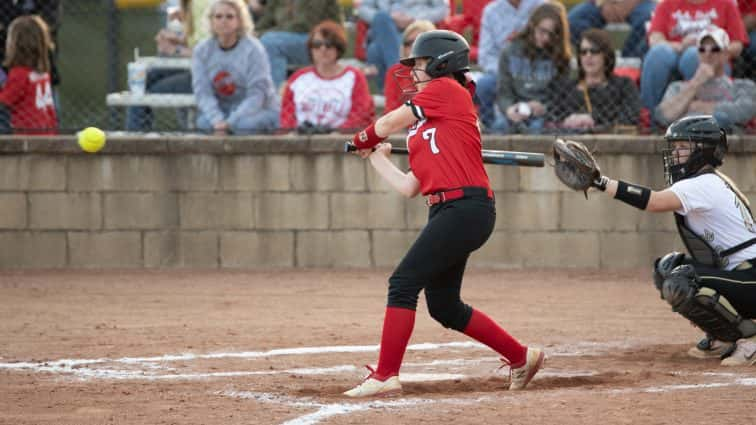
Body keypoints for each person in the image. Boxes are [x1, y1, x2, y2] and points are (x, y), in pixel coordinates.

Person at [344, 30, 544, 398]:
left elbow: (386, 124)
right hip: (447, 211)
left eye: (419, 64)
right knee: (445, 306)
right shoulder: (426, 128)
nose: (414, 72)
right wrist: (374, 156)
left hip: (465, 208)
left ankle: (387, 374)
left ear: (441, 64)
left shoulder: (447, 90)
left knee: (402, 283)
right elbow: (409, 186)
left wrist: (362, 138)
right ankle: (521, 356)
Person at [571, 115, 756, 366]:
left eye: (682, 147)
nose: (675, 153)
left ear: (703, 151)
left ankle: (749, 339)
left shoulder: (703, 184)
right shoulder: (709, 180)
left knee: (681, 280)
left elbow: (654, 202)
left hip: (751, 278)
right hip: (741, 275)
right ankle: (724, 336)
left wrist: (601, 183)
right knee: (667, 268)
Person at [640, 0, 748, 112]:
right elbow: (655, 39)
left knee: (692, 55)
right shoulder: (667, 4)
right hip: (675, 50)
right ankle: (650, 116)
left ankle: (695, 118)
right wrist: (681, 46)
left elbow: (737, 45)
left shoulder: (726, 4)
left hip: (712, 59)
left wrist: (710, 49)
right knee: (658, 54)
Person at [192, 0, 279, 134]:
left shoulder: (254, 49)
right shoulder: (201, 50)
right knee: (203, 123)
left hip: (259, 111)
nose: (224, 21)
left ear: (240, 20)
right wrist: (217, 120)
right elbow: (203, 93)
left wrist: (230, 122)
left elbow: (257, 95)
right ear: (211, 21)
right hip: (223, 111)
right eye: (218, 16)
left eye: (230, 16)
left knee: (243, 126)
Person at [126, 0, 211, 131]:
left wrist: (175, 50)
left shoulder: (205, 4)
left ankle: (137, 139)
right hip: (194, 68)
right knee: (140, 83)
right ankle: (138, 137)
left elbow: (212, 53)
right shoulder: (192, 5)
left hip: (208, 75)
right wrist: (178, 40)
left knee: (144, 93)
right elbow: (199, 43)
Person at [655, 26, 756, 132]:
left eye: (715, 49)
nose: (707, 54)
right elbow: (663, 116)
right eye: (702, 49)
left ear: (726, 55)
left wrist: (694, 107)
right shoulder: (677, 87)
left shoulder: (743, 86)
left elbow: (743, 113)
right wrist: (696, 82)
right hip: (688, 144)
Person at [279, 20, 374, 132]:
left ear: (338, 47)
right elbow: (287, 116)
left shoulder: (354, 77)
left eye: (329, 44)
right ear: (311, 48)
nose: (323, 49)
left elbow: (360, 116)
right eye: (317, 45)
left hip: (340, 140)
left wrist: (335, 134)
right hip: (300, 139)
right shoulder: (298, 78)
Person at [492, 1, 571, 134]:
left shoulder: (560, 58)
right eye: (542, 31)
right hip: (516, 108)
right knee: (500, 126)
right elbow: (503, 92)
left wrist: (544, 108)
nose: (546, 38)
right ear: (532, 26)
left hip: (543, 114)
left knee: (536, 129)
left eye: (552, 34)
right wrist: (509, 109)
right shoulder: (511, 51)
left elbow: (561, 97)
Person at [547, 28, 639, 132]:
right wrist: (568, 120)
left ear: (606, 54)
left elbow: (630, 117)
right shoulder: (566, 88)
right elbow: (551, 117)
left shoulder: (623, 85)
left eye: (594, 51)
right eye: (583, 52)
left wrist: (593, 119)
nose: (588, 56)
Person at [475, 0, 546, 129]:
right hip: (501, 71)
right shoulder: (491, 12)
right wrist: (507, 72)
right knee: (484, 84)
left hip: (537, 71)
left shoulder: (541, 5)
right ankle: (490, 130)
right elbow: (485, 56)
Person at [356, 0, 450, 92]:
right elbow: (363, 9)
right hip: (386, 27)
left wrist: (415, 18)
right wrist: (391, 18)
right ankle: (399, 79)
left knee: (374, 50)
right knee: (381, 17)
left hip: (415, 28)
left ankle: (394, 81)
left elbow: (442, 9)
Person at [257, 0, 342, 90]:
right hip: (285, 38)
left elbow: (303, 25)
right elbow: (265, 21)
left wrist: (264, 34)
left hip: (321, 41)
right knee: (254, 42)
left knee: (271, 43)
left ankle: (273, 96)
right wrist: (255, 34)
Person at [0, 15, 57, 134]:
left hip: (28, 133)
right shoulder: (42, 72)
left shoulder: (19, 74)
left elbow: (5, 100)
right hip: (47, 130)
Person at [567, 0, 656, 59]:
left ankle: (626, 64)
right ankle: (604, 59)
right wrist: (604, 3)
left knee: (649, 22)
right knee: (572, 23)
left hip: (640, 4)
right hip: (604, 4)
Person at [382, 19, 435, 113]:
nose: (413, 47)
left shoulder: (443, 71)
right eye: (408, 43)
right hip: (403, 125)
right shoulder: (395, 72)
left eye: (418, 41)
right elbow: (390, 110)